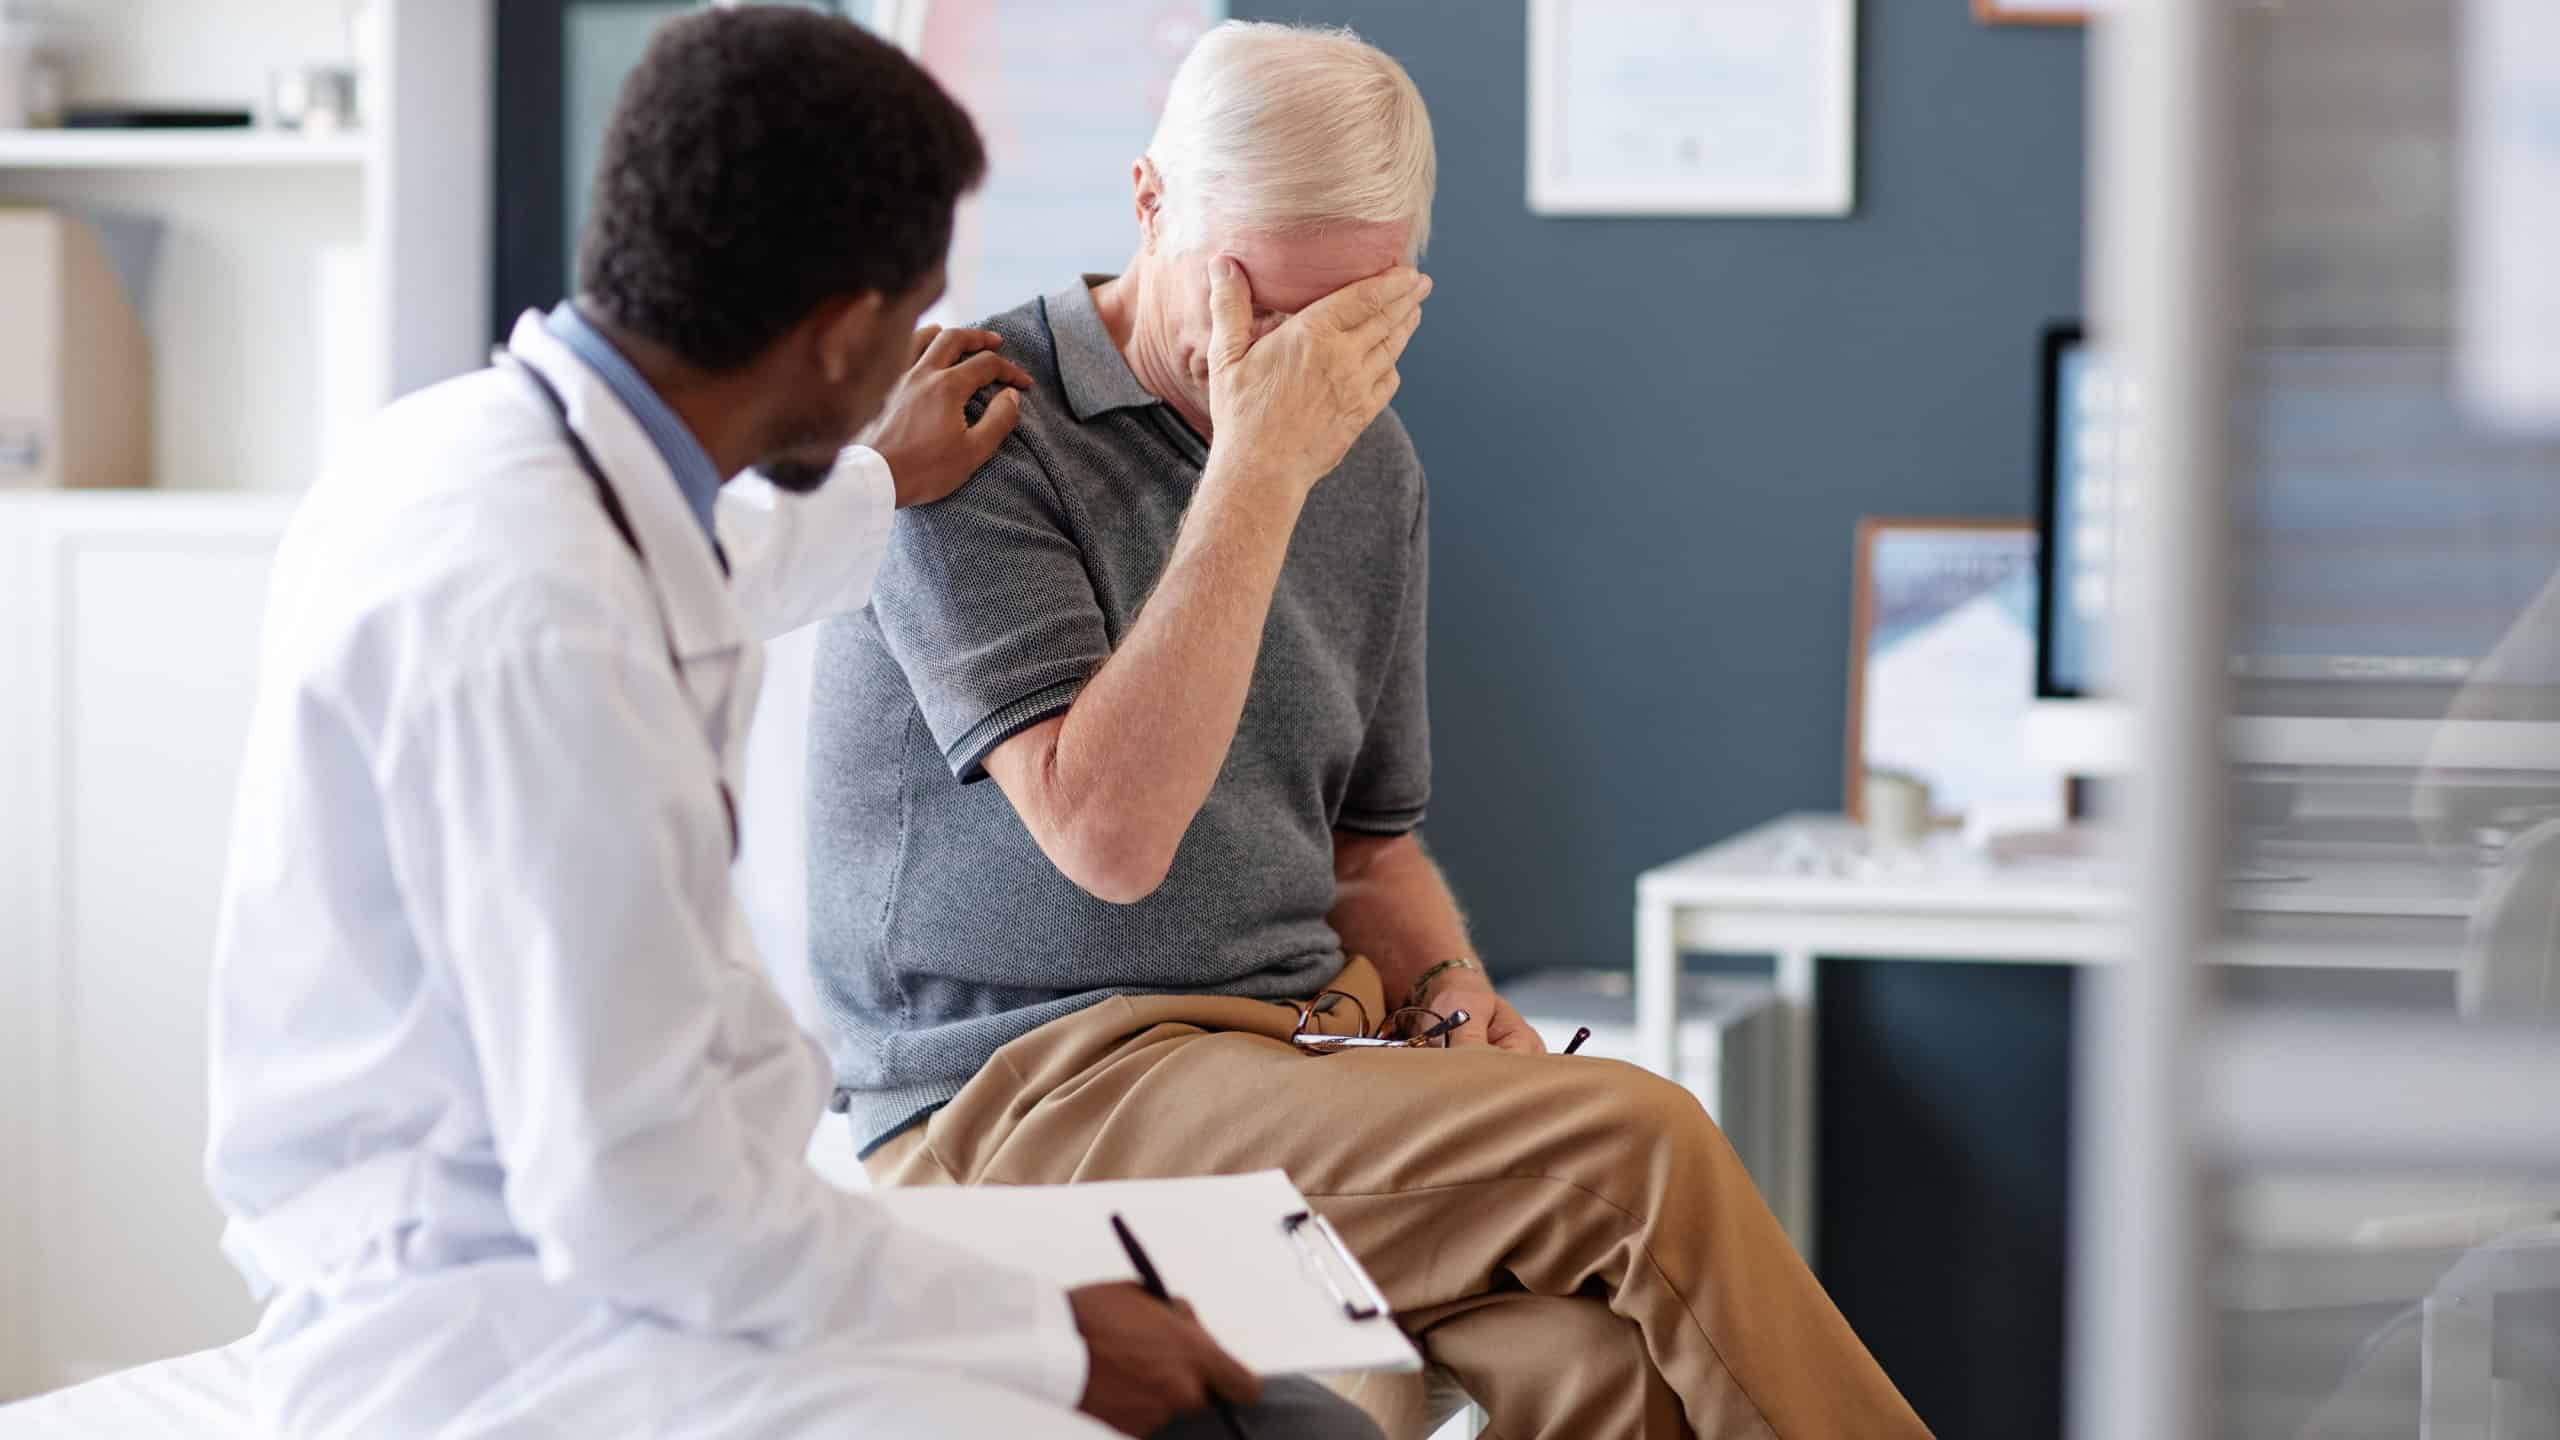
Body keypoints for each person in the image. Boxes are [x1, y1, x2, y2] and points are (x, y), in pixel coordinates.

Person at [201, 10, 1387, 1439]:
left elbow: (708, 565)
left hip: (594, 1236)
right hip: (510, 1316)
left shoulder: (473, 455)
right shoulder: (543, 631)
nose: (941, 337)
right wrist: (1051, 1337)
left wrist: (873, 482)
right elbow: (639, 1198)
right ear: (842, 340)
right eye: (917, 310)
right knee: (1277, 1423)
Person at [806, 20, 1933, 1440]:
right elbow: (1108, 836)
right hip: (1017, 1103)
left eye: (1357, 316)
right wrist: (1261, 470)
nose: (1296, 366)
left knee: (1596, 1367)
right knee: (1635, 1145)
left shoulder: (1363, 456)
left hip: (1290, 1057)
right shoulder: (978, 429)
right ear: (1150, 200)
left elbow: (1364, 848)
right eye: (1262, 308)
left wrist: (1453, 987)